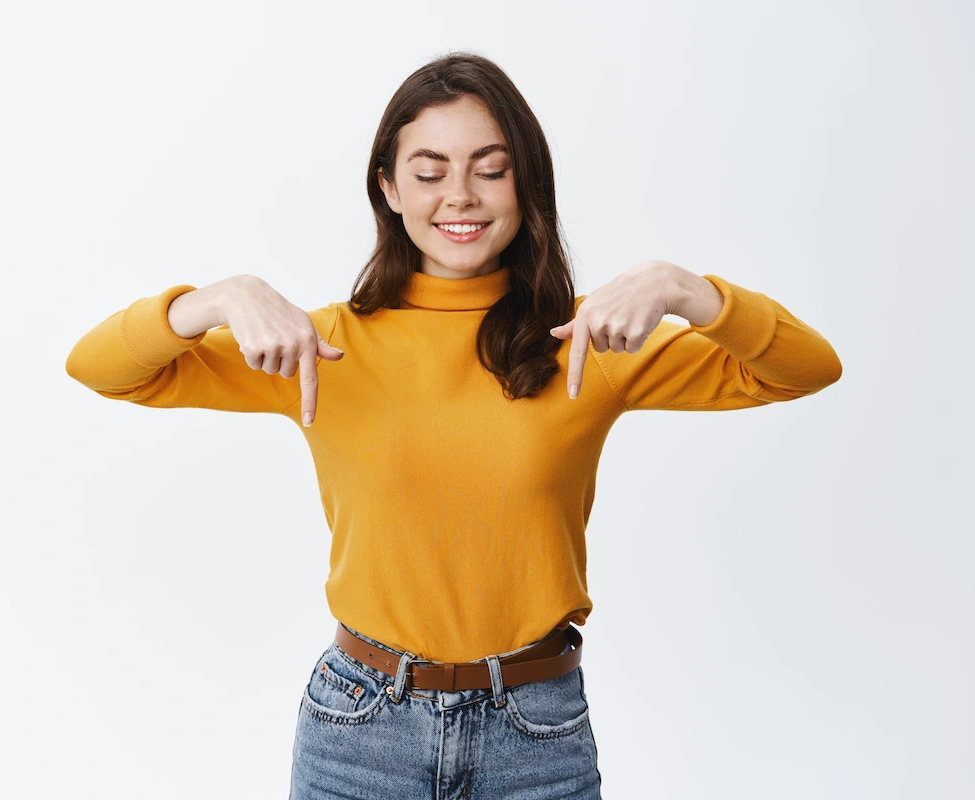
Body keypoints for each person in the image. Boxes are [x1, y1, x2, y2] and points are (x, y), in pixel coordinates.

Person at [65, 51, 842, 800]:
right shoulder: (322, 346)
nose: (460, 196)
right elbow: (99, 367)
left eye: (491, 169)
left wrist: (685, 288)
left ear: (525, 184)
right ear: (389, 189)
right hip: (358, 728)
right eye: (430, 172)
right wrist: (209, 300)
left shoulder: (583, 345)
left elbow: (805, 369)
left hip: (536, 734)